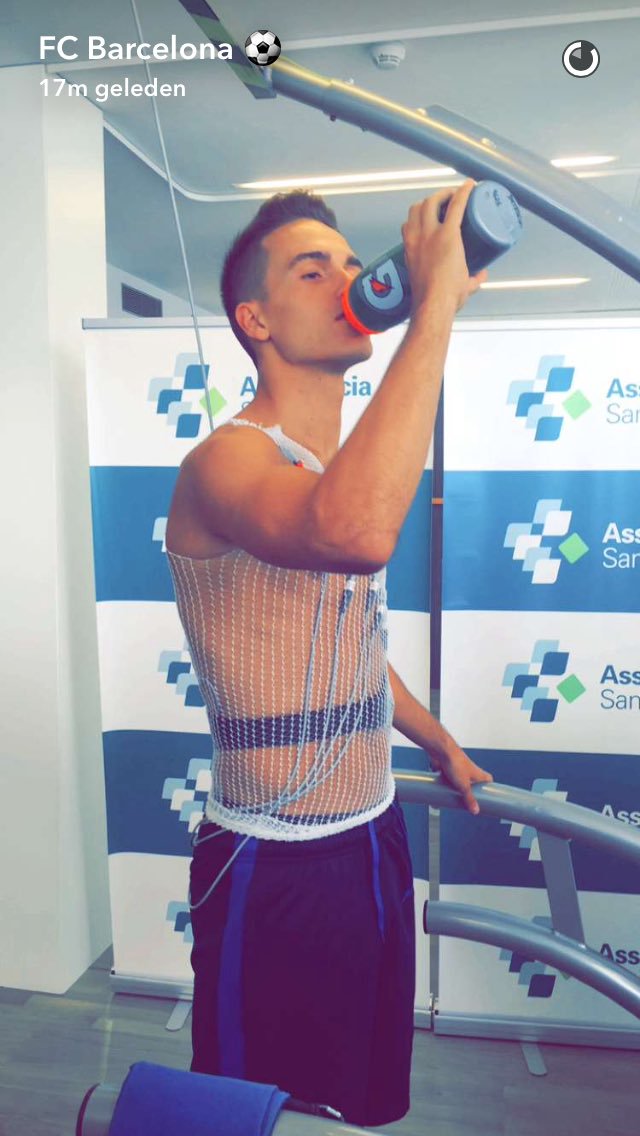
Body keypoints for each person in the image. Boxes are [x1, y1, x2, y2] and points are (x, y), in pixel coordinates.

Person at [165, 181, 493, 1127]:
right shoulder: (226, 461)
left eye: (351, 264)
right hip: (273, 859)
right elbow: (354, 536)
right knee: (247, 1107)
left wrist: (435, 740)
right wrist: (434, 309)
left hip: (370, 835)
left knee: (357, 1099)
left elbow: (351, 645)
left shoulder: (328, 466)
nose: (348, 280)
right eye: (313, 271)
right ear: (255, 319)